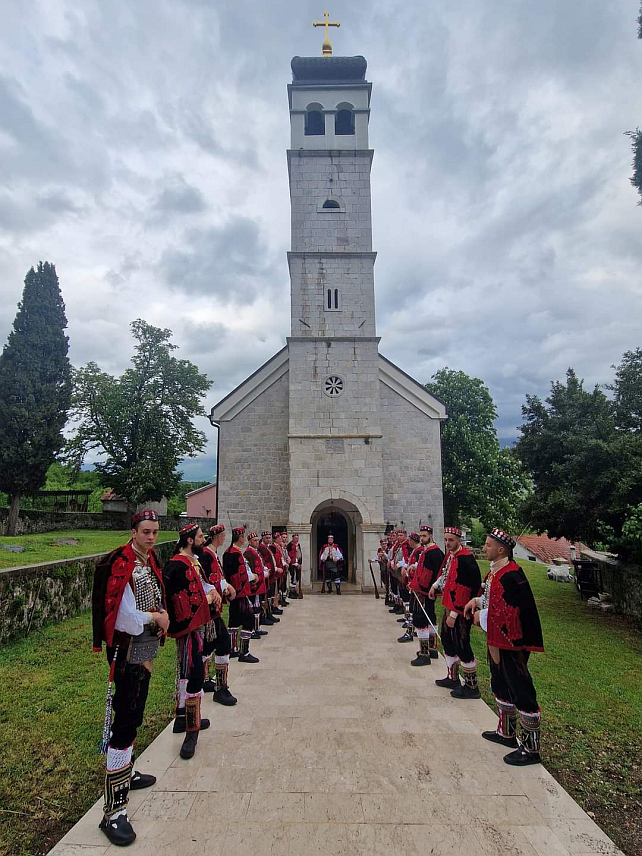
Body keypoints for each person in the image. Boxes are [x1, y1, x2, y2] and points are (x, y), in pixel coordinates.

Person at [92, 509, 169, 846]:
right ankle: (114, 812)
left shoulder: (147, 562)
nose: (152, 537)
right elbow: (124, 618)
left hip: (145, 650)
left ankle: (129, 771)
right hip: (127, 653)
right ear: (134, 531)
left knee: (134, 716)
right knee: (122, 726)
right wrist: (155, 616)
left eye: (155, 531)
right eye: (146, 531)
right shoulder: (123, 563)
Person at [464, 529, 544, 766]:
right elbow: (492, 599)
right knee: (501, 682)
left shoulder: (512, 575)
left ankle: (531, 748)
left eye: (488, 545)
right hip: (497, 639)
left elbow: (512, 610)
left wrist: (483, 615)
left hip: (512, 641)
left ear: (501, 549)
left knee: (520, 687)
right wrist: (477, 601)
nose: (484, 547)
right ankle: (506, 733)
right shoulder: (495, 572)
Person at [163, 523, 218, 760]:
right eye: (199, 537)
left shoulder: (192, 562)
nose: (202, 540)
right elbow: (180, 598)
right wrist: (208, 596)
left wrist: (213, 590)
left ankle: (183, 717)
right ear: (188, 540)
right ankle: (190, 732)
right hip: (188, 629)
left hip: (197, 628)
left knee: (189, 672)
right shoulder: (176, 565)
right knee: (193, 674)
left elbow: (201, 586)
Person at [429, 526, 482, 698]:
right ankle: (452, 677)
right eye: (445, 540)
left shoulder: (466, 559)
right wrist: (435, 585)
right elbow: (446, 576)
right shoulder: (452, 557)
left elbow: (465, 589)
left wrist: (453, 614)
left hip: (460, 610)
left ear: (459, 540)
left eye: (451, 540)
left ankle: (471, 686)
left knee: (462, 643)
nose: (447, 543)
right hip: (450, 605)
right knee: (448, 640)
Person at [199, 523, 238, 706]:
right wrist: (226, 587)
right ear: (218, 537)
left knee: (207, 646)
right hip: (210, 610)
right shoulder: (207, 554)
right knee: (223, 643)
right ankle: (220, 688)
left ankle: (204, 678)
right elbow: (211, 579)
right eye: (223, 536)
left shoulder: (211, 553)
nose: (224, 538)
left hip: (212, 609)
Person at [407, 525, 444, 665]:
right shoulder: (427, 551)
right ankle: (432, 648)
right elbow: (423, 567)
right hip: (426, 590)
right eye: (420, 536)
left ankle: (424, 654)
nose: (422, 538)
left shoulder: (433, 552)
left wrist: (417, 585)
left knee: (420, 619)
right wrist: (414, 567)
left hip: (424, 591)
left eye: (424, 536)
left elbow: (430, 573)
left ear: (431, 535)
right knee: (430, 617)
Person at [223, 526, 260, 664]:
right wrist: (253, 577)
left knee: (233, 621)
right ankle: (244, 651)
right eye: (243, 537)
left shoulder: (227, 552)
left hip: (233, 593)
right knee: (248, 619)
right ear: (240, 538)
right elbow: (242, 574)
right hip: (240, 592)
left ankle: (233, 648)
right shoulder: (237, 554)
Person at [244, 531, 270, 639]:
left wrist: (265, 570)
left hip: (259, 583)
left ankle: (257, 627)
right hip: (254, 584)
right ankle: (253, 630)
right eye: (254, 540)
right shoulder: (248, 553)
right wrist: (263, 573)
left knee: (257, 606)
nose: (256, 542)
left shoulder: (256, 552)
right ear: (249, 542)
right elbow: (251, 569)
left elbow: (261, 564)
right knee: (253, 607)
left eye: (256, 540)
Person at [397, 532, 420, 642]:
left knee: (414, 609)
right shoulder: (416, 551)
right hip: (411, 582)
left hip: (416, 584)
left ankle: (411, 632)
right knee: (412, 608)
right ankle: (410, 630)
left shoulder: (419, 551)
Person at [258, 532, 280, 623]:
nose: (268, 539)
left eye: (269, 538)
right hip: (267, 574)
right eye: (266, 538)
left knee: (270, 595)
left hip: (271, 575)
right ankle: (265, 614)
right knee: (265, 596)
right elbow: (264, 562)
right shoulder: (262, 548)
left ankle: (269, 612)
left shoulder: (268, 548)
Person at [287, 532, 302, 598]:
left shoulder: (298, 545)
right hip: (292, 564)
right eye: (295, 538)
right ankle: (291, 592)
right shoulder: (290, 545)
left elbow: (300, 554)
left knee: (297, 578)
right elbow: (289, 555)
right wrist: (294, 551)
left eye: (297, 538)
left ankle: (294, 591)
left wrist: (300, 563)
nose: (297, 539)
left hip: (297, 563)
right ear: (293, 538)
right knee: (293, 578)